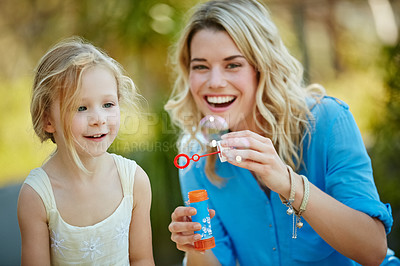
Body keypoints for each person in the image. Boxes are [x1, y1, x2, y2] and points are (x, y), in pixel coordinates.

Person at [165, 0, 394, 265]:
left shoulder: (328, 121)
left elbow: (373, 251)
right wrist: (194, 245)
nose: (214, 82)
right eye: (200, 66)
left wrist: (287, 182)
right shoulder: (197, 157)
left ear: (262, 67)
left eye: (233, 65)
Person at [17, 37, 154, 265]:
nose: (99, 120)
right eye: (81, 107)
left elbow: (141, 259)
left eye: (108, 105)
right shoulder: (37, 196)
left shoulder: (133, 181)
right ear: (48, 119)